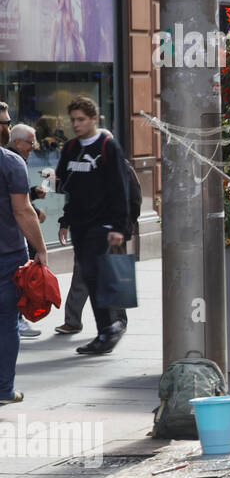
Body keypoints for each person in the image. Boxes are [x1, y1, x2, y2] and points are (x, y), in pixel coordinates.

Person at [55, 96, 132, 356]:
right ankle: (109, 327)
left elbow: (120, 188)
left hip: (103, 222)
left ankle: (108, 328)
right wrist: (65, 219)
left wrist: (120, 227)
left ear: (93, 119)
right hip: (80, 222)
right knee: (92, 275)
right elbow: (66, 185)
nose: (76, 124)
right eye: (73, 120)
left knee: (93, 271)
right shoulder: (70, 148)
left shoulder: (107, 146)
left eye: (81, 119)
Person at [0, 134, 48, 404]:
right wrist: (40, 248)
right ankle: (4, 390)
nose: (7, 127)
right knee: (6, 324)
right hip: (7, 255)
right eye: (5, 122)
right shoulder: (10, 162)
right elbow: (23, 211)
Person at [7, 124, 45, 339]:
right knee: (18, 279)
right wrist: (41, 248)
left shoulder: (14, 159)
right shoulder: (12, 161)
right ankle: (18, 320)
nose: (33, 146)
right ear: (19, 142)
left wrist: (33, 195)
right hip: (14, 237)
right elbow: (18, 206)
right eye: (31, 142)